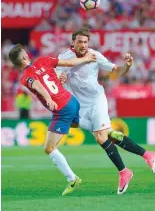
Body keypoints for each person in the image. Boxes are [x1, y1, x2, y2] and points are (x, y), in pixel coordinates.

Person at [57, 27, 155, 195]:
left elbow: (116, 71)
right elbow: (57, 76)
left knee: (100, 136)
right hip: (79, 105)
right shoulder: (64, 57)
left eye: (86, 42)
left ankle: (125, 171)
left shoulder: (94, 55)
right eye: (80, 42)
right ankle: (147, 155)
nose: (83, 45)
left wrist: (127, 66)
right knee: (104, 134)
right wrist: (61, 78)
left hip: (96, 100)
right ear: (73, 42)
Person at [8, 44, 96, 196]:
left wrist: (48, 98)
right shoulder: (43, 61)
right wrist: (87, 58)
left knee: (49, 148)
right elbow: (69, 63)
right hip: (71, 100)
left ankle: (72, 179)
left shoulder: (25, 78)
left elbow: (37, 84)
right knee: (77, 124)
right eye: (25, 53)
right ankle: (104, 130)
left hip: (61, 109)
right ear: (24, 57)